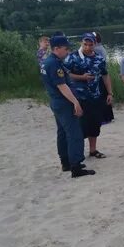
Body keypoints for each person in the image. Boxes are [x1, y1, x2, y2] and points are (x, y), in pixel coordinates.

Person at [41, 35, 95, 177]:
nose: (68, 51)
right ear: (56, 48)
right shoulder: (54, 64)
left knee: (63, 132)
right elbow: (62, 86)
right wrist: (75, 102)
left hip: (56, 102)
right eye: (66, 48)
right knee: (74, 134)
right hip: (64, 102)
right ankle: (76, 166)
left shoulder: (49, 61)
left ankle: (66, 162)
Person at [63, 33, 113, 159]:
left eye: (90, 44)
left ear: (95, 44)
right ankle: (78, 153)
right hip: (78, 97)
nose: (88, 47)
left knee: (95, 125)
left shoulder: (99, 58)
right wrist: (82, 77)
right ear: (81, 43)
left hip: (95, 97)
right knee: (80, 126)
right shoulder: (73, 57)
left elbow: (105, 75)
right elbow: (65, 75)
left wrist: (110, 93)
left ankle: (93, 150)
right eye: (85, 44)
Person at [92, 31, 114, 123]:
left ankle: (105, 118)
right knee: (104, 95)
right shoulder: (100, 47)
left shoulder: (97, 49)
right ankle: (108, 116)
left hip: (99, 76)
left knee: (101, 96)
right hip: (102, 75)